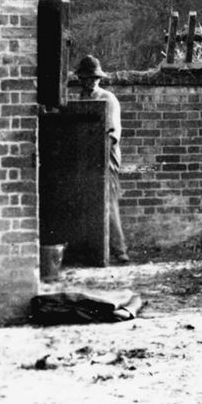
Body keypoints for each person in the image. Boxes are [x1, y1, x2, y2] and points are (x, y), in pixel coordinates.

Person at [76, 55, 130, 264]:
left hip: (106, 158)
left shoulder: (108, 99)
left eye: (94, 77)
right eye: (86, 77)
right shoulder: (79, 99)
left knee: (107, 202)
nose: (90, 81)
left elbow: (112, 134)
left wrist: (99, 157)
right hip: (85, 159)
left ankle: (120, 250)